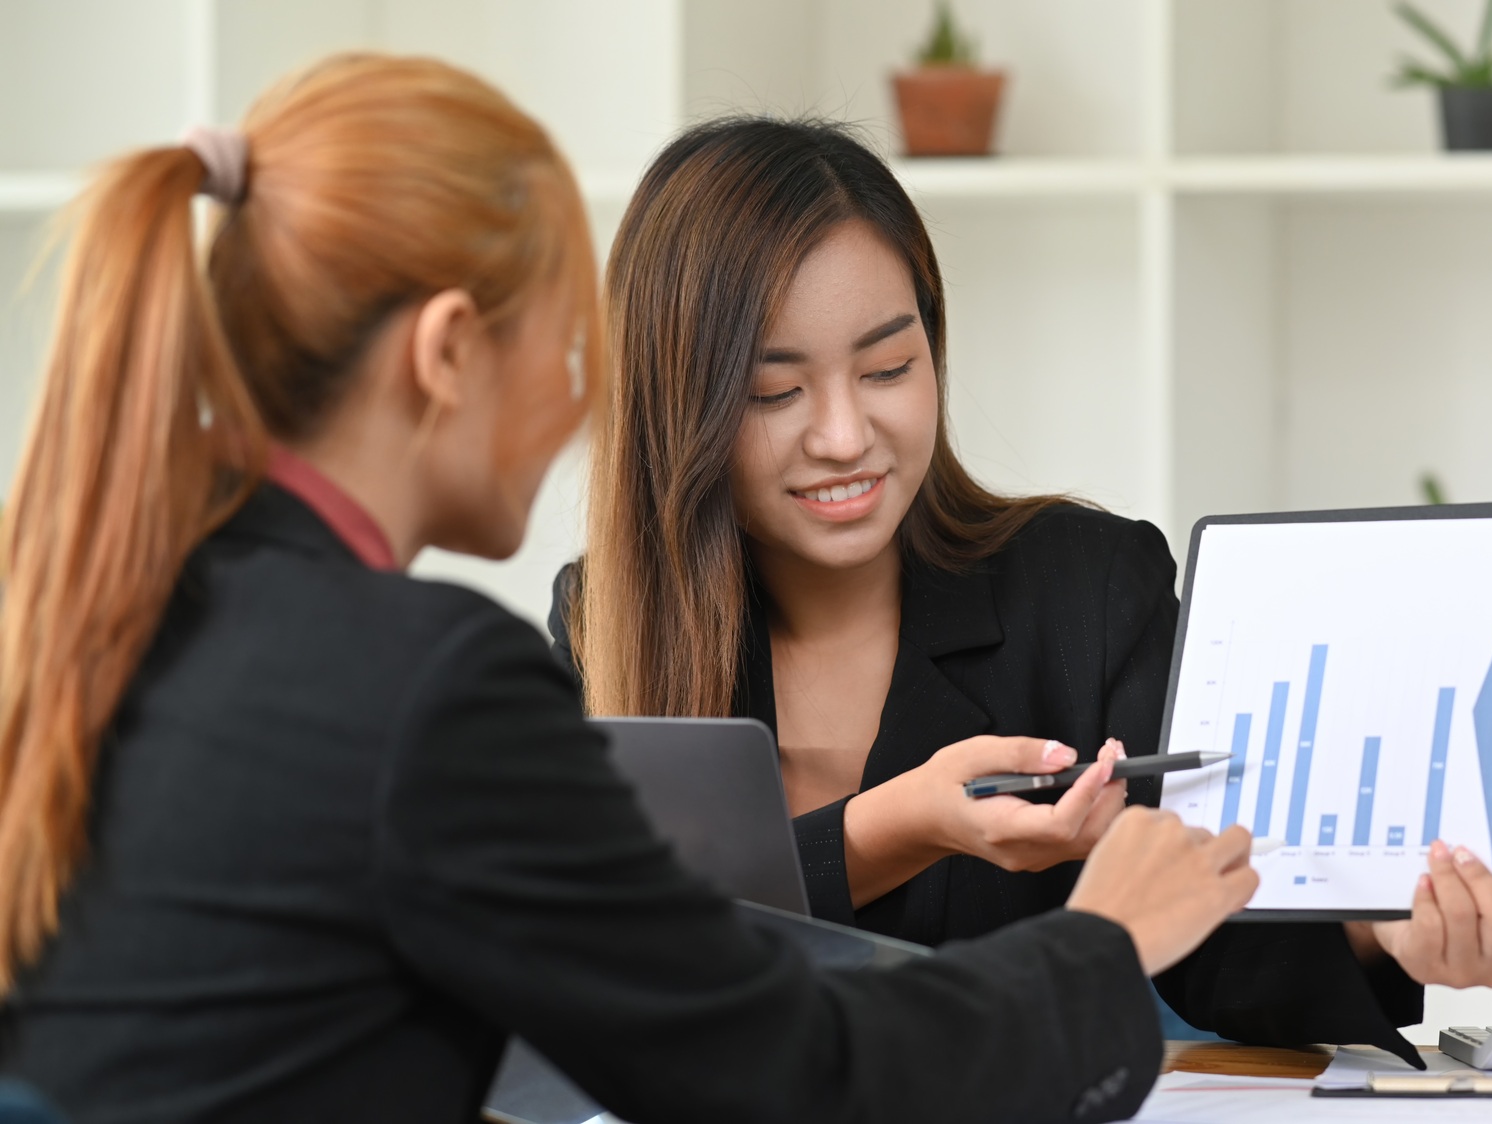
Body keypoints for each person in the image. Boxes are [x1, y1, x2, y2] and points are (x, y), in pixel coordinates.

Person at [0, 55, 1263, 1124]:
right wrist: (1095, 950)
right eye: (563, 347)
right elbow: (787, 1067)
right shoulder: (424, 684)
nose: (581, 404)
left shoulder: (99, 615)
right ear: (447, 352)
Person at [553, 116, 1492, 1063]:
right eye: (775, 391)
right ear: (676, 405)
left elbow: (1215, 942)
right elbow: (606, 964)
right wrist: (897, 823)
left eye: (888, 367)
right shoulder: (604, 627)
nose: (844, 434)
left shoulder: (1083, 588)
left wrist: (1387, 928)